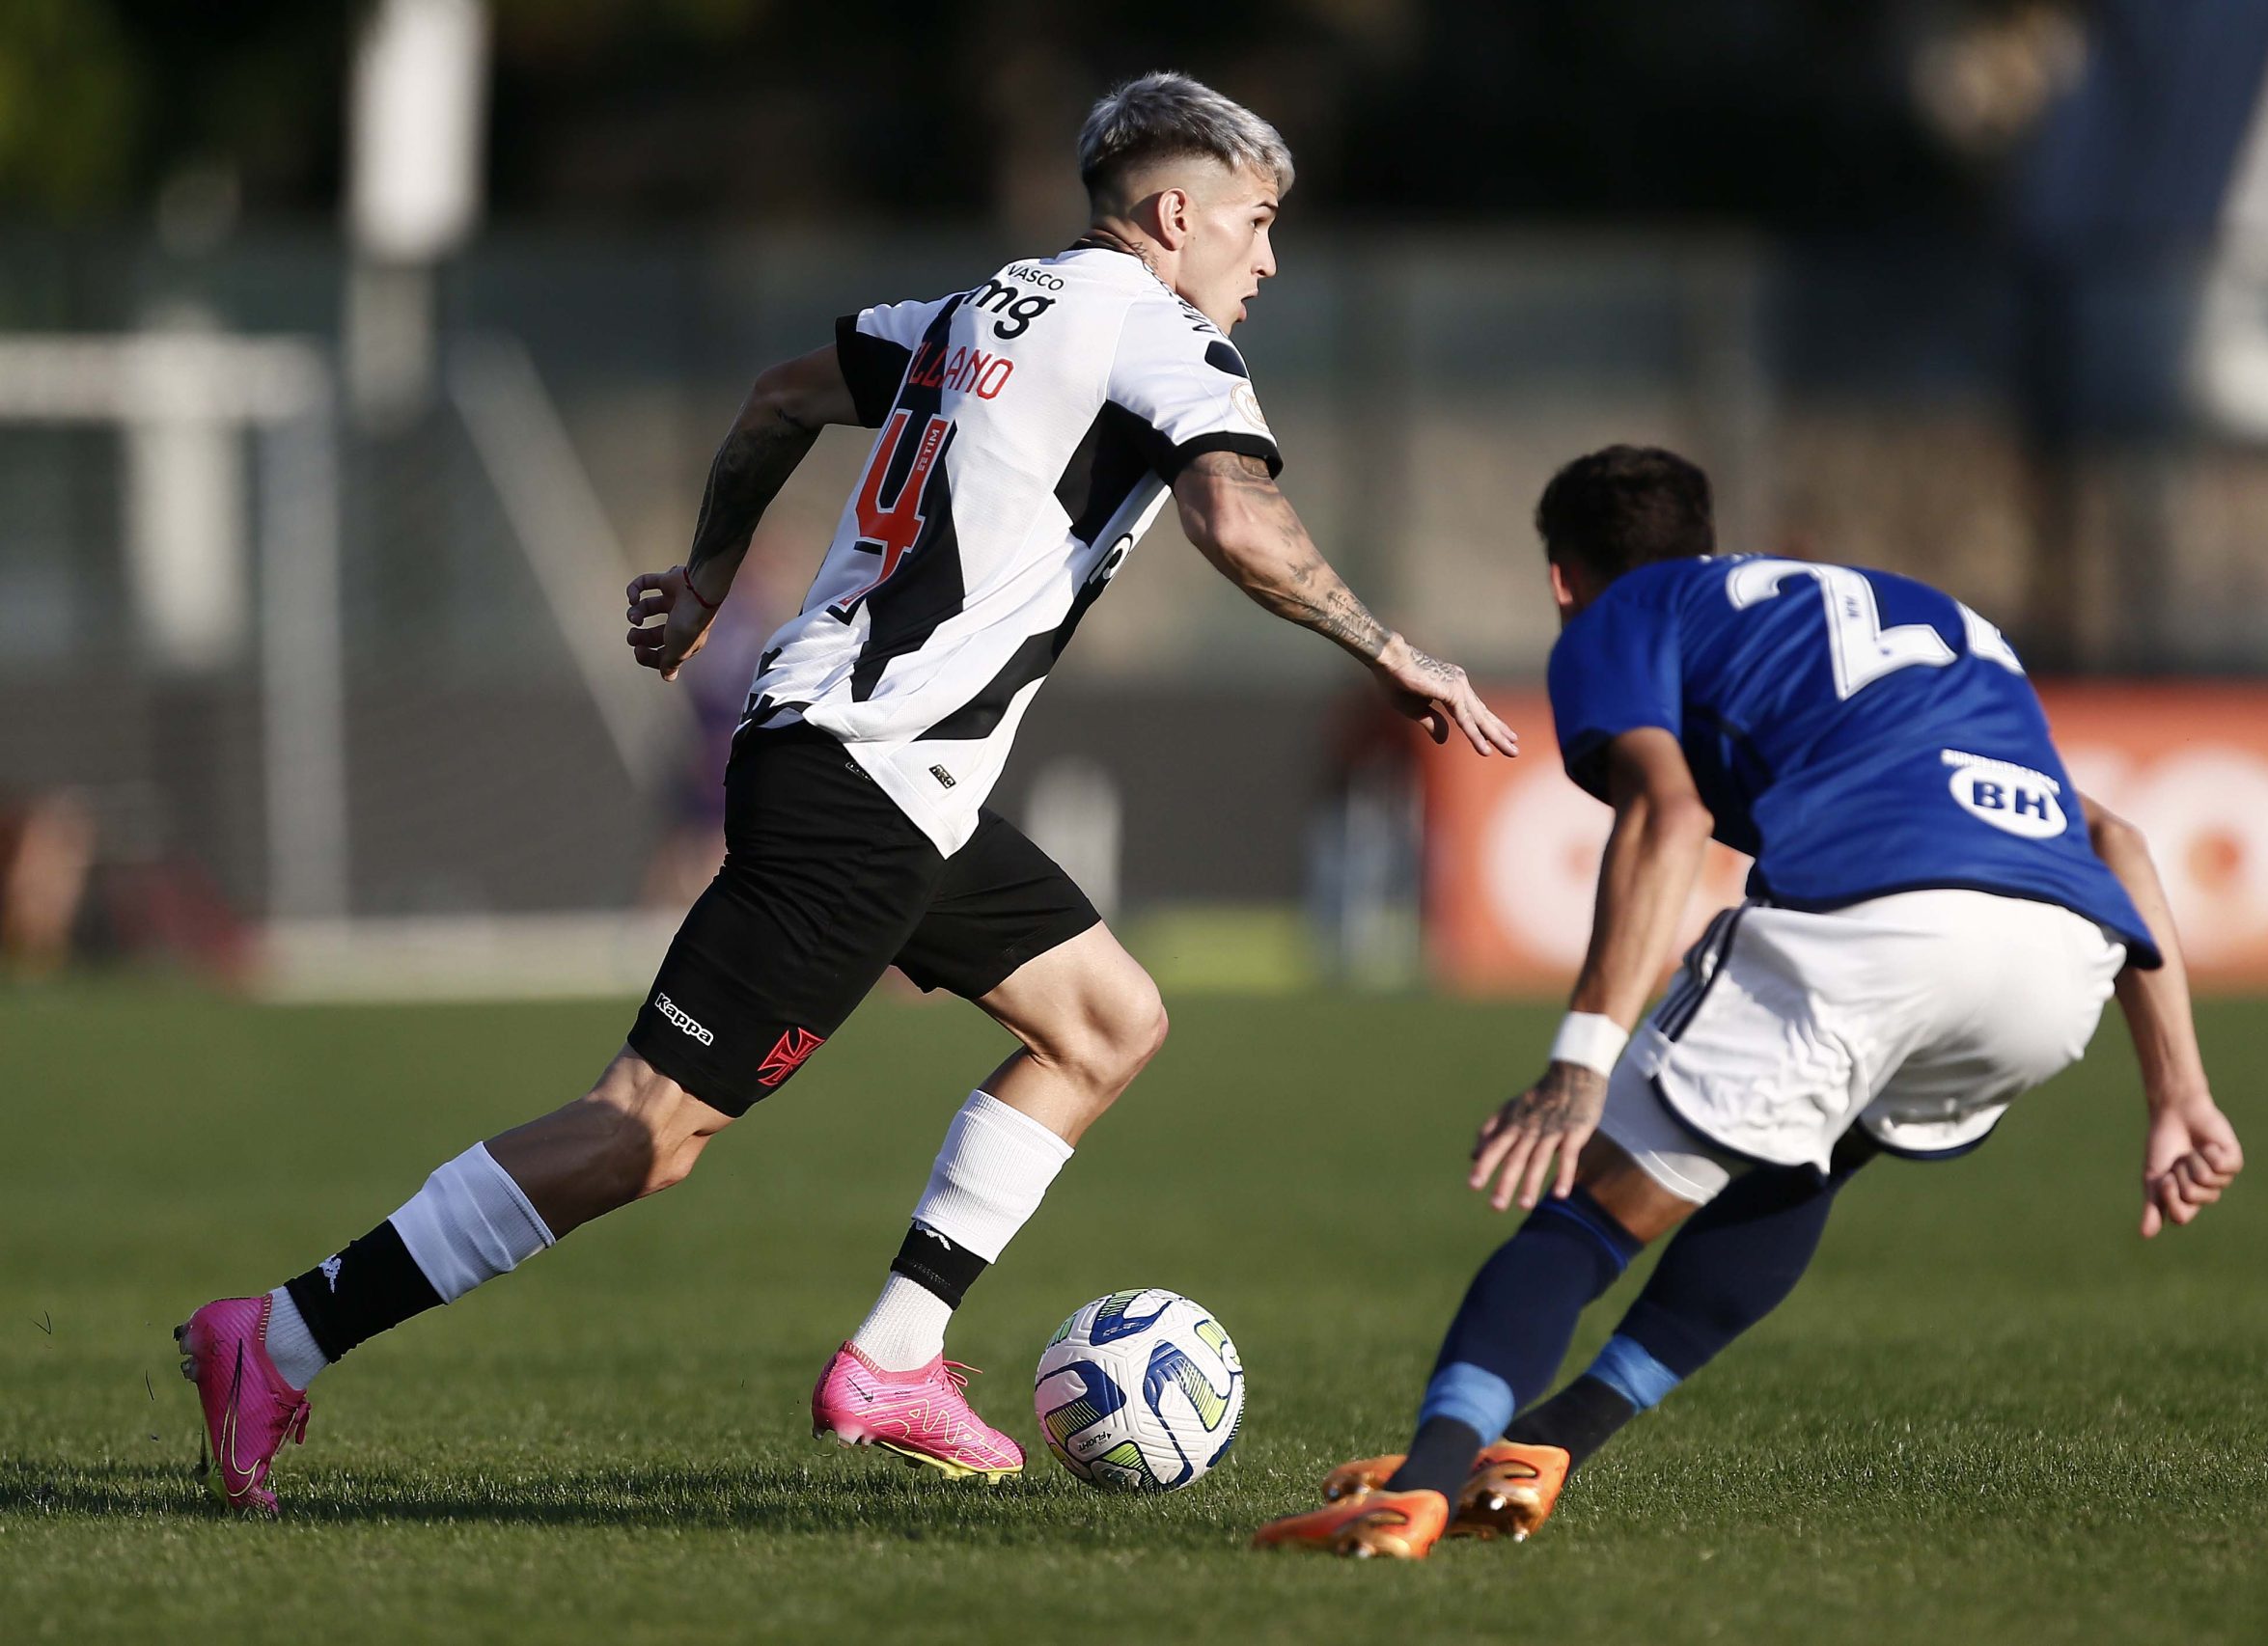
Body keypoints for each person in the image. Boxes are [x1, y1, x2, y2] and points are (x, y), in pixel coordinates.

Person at [176, 70, 1515, 1515]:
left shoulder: (977, 308)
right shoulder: (1159, 334)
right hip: (867, 779)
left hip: (882, 768)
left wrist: (702, 577)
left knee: (1109, 1018)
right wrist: (1390, 647)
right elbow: (1234, 514)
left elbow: (779, 398)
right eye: (1256, 223)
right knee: (646, 1130)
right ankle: (282, 1334)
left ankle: (897, 1356)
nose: (1265, 259)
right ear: (1175, 212)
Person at [1254, 445, 2242, 1559]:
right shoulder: (1901, 609)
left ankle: (1416, 1492)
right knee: (1798, 1157)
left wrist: (1581, 1061)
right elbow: (2116, 837)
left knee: (1583, 1213)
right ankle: (1545, 1440)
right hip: (2057, 963)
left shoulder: (1621, 615)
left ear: (1561, 579)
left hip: (1877, 922)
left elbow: (1665, 819)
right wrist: (2180, 1094)